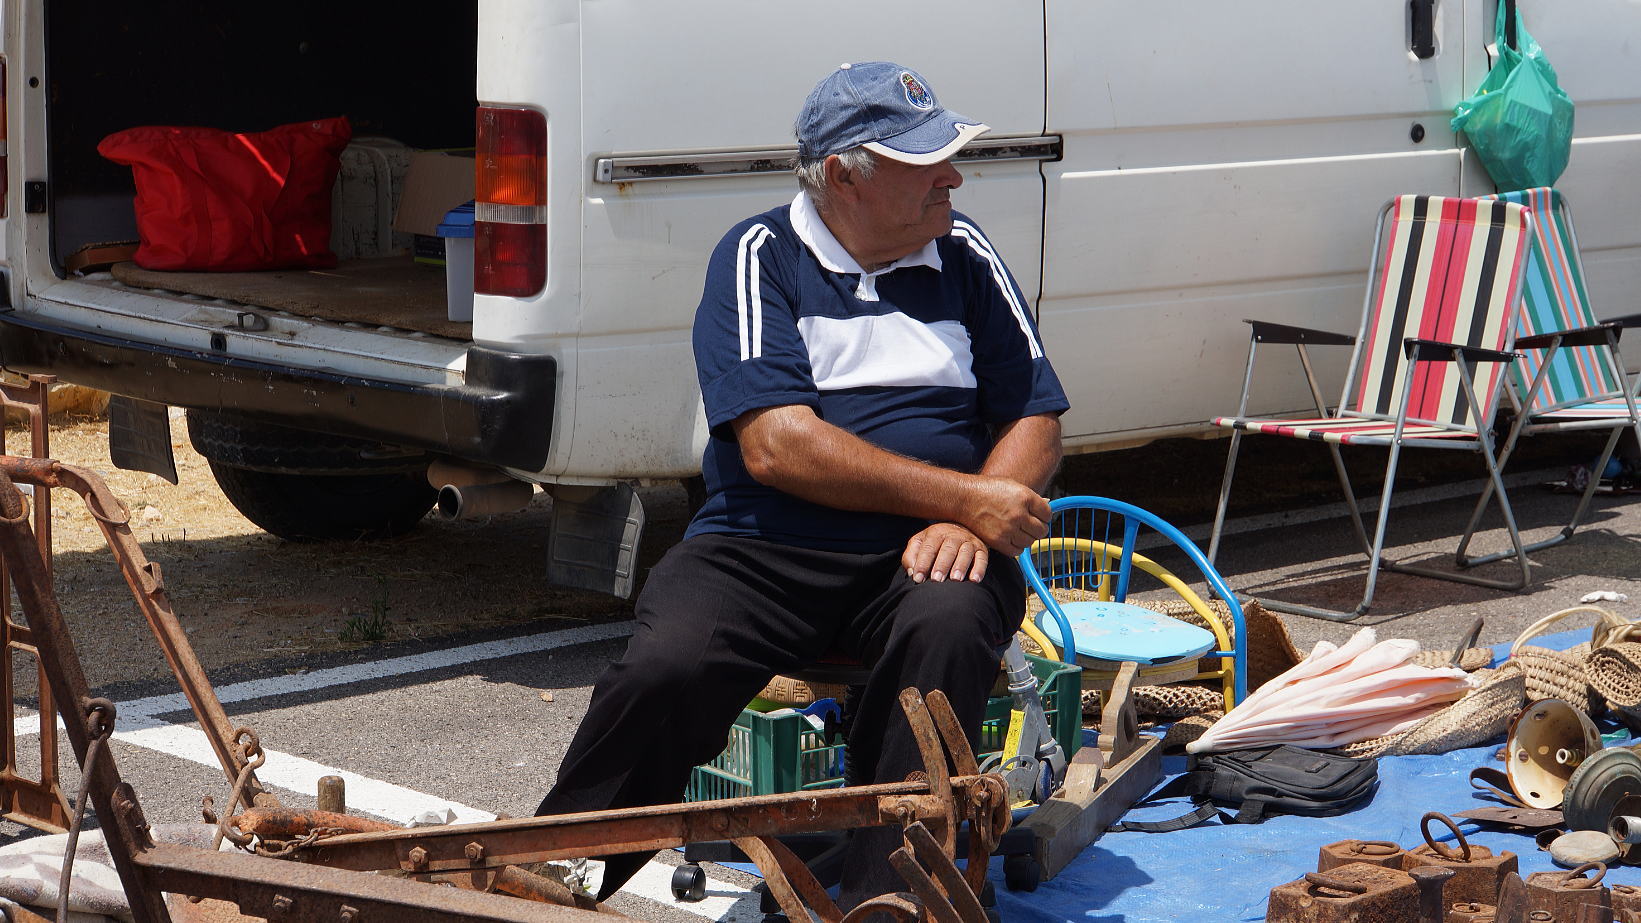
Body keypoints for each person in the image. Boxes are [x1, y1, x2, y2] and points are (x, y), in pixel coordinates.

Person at [536, 61, 1069, 908]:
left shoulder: (962, 251)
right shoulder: (759, 255)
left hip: (923, 552)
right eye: (925, 162)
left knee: (945, 627)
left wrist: (971, 523)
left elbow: (1034, 415)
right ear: (843, 177)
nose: (953, 178)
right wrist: (963, 499)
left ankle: (892, 901)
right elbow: (778, 446)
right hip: (764, 545)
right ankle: (553, 871)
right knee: (667, 667)